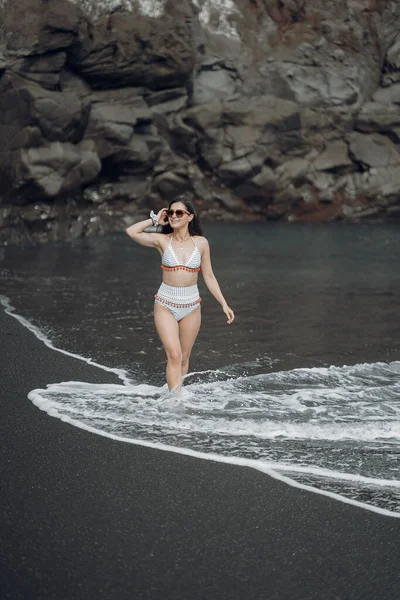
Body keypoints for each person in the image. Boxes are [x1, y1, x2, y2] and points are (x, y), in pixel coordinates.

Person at [125, 198, 235, 392]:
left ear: (189, 217)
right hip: (165, 304)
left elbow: (208, 276)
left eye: (179, 213)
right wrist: (155, 220)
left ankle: (178, 392)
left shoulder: (201, 243)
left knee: (184, 358)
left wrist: (223, 304)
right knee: (174, 355)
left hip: (192, 306)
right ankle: (175, 403)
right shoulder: (161, 240)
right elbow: (131, 232)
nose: (173, 216)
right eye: (171, 212)